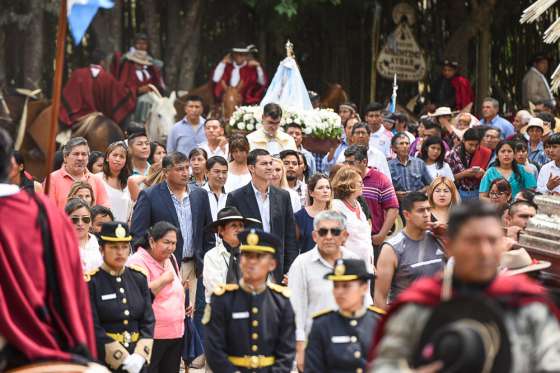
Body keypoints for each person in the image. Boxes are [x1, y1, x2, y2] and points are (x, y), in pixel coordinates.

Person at [368, 201, 560, 373]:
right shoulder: (420, 305)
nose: (484, 252)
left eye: (492, 241)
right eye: (472, 241)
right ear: (449, 246)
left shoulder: (526, 304)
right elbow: (384, 364)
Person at [0, 129, 99, 369]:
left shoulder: (46, 214)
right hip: (47, 344)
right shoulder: (46, 214)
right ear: (13, 166)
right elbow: (70, 289)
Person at [130, 152, 214, 325]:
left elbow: (208, 233)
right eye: (179, 169)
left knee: (193, 316)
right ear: (166, 172)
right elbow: (138, 235)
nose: (185, 173)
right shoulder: (150, 195)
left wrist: (205, 261)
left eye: (187, 168)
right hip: (163, 265)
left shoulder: (200, 195)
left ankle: (191, 352)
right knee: (168, 314)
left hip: (194, 265)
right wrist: (153, 264)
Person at [203, 229, 295, 372]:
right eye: (247, 255)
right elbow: (214, 349)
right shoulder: (222, 300)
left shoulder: (281, 302)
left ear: (272, 264)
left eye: (259, 256)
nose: (252, 261)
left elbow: (286, 352)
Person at [288, 210, 367, 372]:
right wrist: (300, 348)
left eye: (335, 231)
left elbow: (366, 305)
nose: (329, 236)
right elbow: (295, 310)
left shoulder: (355, 262)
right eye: (323, 232)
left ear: (345, 235)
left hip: (351, 346)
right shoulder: (301, 264)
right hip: (315, 348)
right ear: (314, 236)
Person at [86, 221, 155, 373]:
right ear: (101, 249)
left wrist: (140, 355)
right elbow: (92, 326)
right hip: (105, 361)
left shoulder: (138, 278)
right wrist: (121, 358)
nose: (120, 252)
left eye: (124, 247)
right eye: (114, 247)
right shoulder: (92, 282)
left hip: (137, 361)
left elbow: (148, 320)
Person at [225, 149, 298, 283]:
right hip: (248, 269)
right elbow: (231, 237)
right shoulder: (236, 197)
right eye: (264, 164)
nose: (270, 167)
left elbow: (290, 236)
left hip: (277, 269)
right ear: (251, 168)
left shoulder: (283, 196)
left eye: (271, 163)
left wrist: (290, 269)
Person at [304, 259, 384, 373]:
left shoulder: (379, 323)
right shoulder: (321, 325)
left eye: (346, 286)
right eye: (336, 286)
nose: (339, 292)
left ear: (364, 288)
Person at [127, 222, 185, 373]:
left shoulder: (171, 258)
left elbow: (177, 284)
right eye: (166, 242)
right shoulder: (137, 261)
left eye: (174, 243)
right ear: (152, 241)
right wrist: (163, 280)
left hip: (175, 333)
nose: (171, 247)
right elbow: (136, 297)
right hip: (151, 336)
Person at [374, 192, 444, 310]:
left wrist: (447, 235)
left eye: (428, 209)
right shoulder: (392, 248)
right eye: (421, 211)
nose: (427, 215)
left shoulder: (438, 238)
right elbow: (379, 298)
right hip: (408, 320)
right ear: (407, 215)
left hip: (438, 318)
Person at [59, 50, 136, 128]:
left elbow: (68, 96)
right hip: (99, 118)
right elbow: (119, 96)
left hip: (78, 117)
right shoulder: (108, 78)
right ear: (102, 62)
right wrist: (133, 91)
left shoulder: (78, 74)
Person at [344, 145, 399, 249]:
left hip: (373, 239)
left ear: (364, 162)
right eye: (345, 162)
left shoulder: (381, 179)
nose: (347, 166)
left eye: (351, 163)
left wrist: (382, 235)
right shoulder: (343, 180)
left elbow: (393, 208)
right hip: (348, 241)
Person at [202, 207, 259, 302]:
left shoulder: (251, 254)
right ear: (221, 230)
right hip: (220, 311)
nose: (239, 229)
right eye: (234, 226)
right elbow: (216, 290)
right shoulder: (212, 256)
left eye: (241, 225)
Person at [331, 166, 375, 272]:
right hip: (346, 267)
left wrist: (370, 263)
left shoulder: (358, 204)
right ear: (349, 184)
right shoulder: (336, 206)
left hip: (365, 266)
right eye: (359, 182)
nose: (363, 185)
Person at [46, 137, 109, 209]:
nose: (80, 158)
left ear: (88, 158)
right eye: (76, 154)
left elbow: (104, 212)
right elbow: (48, 212)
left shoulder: (96, 180)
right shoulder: (51, 180)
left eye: (84, 154)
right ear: (65, 157)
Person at [294, 174, 332, 254]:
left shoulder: (336, 216)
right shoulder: (299, 216)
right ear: (311, 193)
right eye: (320, 188)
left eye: (328, 188)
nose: (325, 191)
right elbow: (293, 246)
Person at [388, 133, 433, 199]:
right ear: (394, 148)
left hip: (417, 202)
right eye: (401, 143)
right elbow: (383, 189)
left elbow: (430, 184)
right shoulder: (388, 166)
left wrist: (418, 193)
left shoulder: (419, 163)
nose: (405, 146)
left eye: (407, 143)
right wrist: (395, 194)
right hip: (397, 205)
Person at [446, 128, 486, 200]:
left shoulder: (483, 153)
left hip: (479, 192)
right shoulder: (452, 155)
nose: (473, 148)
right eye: (470, 144)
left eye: (476, 145)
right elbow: (446, 178)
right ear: (463, 141)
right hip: (459, 192)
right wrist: (463, 174)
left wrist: (483, 173)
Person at [99, 141, 133, 222]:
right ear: (107, 158)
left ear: (125, 161)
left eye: (122, 157)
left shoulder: (129, 182)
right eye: (114, 155)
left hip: (123, 231)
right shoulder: (97, 179)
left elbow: (131, 213)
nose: (117, 159)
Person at [65, 198, 102, 272]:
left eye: (85, 219)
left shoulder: (101, 243)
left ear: (91, 222)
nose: (80, 223)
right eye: (74, 219)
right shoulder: (58, 245)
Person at [203, 156, 229, 221]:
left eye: (224, 172)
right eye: (217, 172)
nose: (221, 176)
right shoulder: (199, 194)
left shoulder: (231, 195)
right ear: (206, 173)